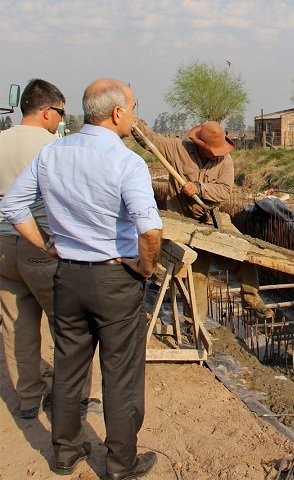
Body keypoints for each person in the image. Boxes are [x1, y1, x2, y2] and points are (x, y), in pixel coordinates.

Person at [0, 78, 162, 479]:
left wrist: (49, 245)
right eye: (134, 107)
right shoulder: (128, 162)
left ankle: (65, 453)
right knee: (121, 373)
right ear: (118, 112)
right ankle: (121, 463)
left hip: (67, 275)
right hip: (115, 278)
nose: (135, 117)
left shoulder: (53, 153)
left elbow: (14, 207)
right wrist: (144, 268)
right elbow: (150, 230)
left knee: (70, 367)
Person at [0, 78, 102, 420]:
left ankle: (28, 398)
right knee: (71, 326)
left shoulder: (0, 141)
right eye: (60, 112)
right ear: (46, 111)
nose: (61, 119)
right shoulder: (54, 149)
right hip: (40, 245)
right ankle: (75, 400)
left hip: (2, 248)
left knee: (17, 324)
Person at [132, 120, 272, 320]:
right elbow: (150, 140)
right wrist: (133, 122)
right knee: (196, 277)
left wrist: (199, 188)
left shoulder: (225, 161)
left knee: (243, 251)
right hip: (183, 224)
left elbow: (224, 191)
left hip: (212, 220)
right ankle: (193, 323)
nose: (218, 155)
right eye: (213, 151)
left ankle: (251, 297)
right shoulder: (177, 149)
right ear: (200, 146)